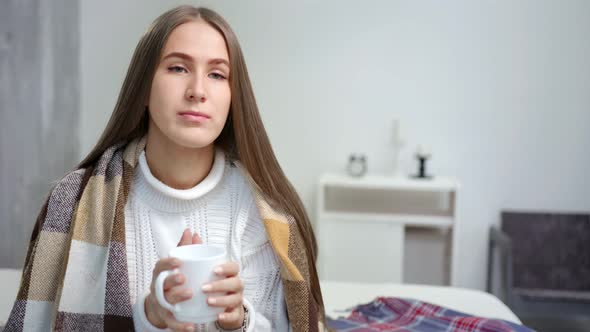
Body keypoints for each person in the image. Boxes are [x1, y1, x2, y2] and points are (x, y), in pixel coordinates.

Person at [5, 5, 325, 332]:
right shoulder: (74, 202)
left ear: (233, 97)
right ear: (143, 87)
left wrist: (240, 320)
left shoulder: (262, 212)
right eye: (177, 68)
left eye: (217, 74)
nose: (197, 91)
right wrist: (148, 317)